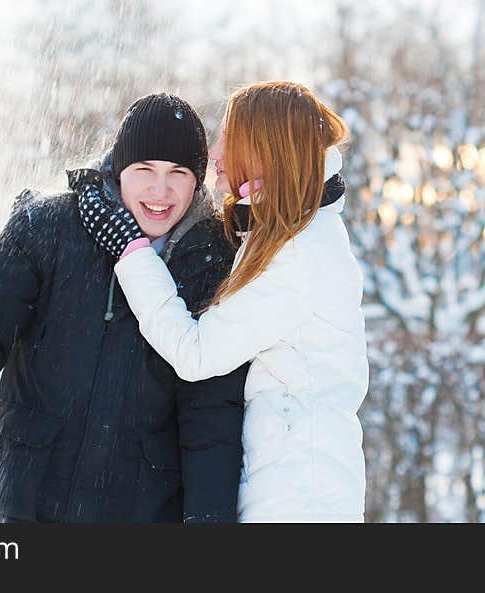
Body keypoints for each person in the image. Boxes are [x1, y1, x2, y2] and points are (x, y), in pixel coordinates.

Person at [0, 93, 249, 522]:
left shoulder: (213, 261)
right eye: (144, 170)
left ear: (197, 180)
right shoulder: (47, 229)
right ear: (119, 169)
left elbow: (211, 418)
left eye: (178, 173)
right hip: (22, 502)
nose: (160, 191)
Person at [76, 81, 369, 522]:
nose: (215, 153)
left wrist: (131, 250)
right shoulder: (293, 234)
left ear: (263, 150)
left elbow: (196, 354)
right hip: (298, 480)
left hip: (296, 497)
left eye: (229, 140)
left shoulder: (296, 255)